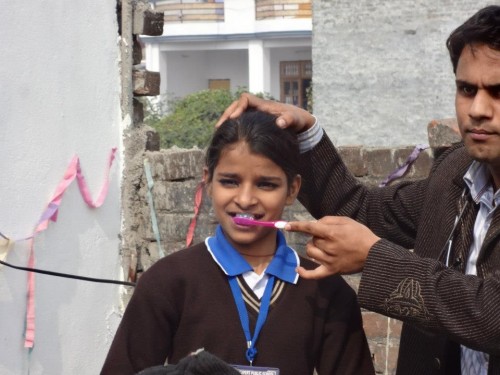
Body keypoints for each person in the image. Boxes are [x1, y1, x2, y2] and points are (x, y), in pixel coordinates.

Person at [215, 5, 500, 374]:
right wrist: (304, 135)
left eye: (497, 92)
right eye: (466, 89)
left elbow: (492, 312)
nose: (477, 109)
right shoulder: (456, 174)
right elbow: (363, 211)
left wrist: (375, 259)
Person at [101, 110, 375, 375]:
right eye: (230, 182)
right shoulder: (167, 281)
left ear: (292, 190)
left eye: (266, 184)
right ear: (208, 182)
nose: (245, 199)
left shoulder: (326, 291)